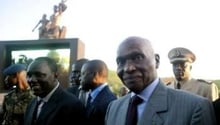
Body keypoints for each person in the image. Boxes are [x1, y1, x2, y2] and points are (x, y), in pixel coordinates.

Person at [105, 36, 217, 125]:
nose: (128, 68)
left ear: (157, 61)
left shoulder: (195, 107)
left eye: (138, 57)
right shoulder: (113, 108)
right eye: (120, 62)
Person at [23, 57, 87, 125]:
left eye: (39, 75)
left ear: (55, 75)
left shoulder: (72, 105)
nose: (31, 80)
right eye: (29, 75)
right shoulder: (32, 103)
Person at [80, 59, 117, 125]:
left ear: (95, 75)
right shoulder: (92, 96)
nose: (80, 78)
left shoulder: (109, 102)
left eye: (83, 74)